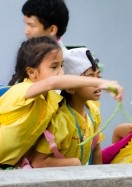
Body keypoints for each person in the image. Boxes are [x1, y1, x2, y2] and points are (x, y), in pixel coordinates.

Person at [0, 36, 123, 168]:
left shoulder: (52, 99)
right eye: (54, 67)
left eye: (62, 65)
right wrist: (101, 82)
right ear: (32, 72)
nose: (61, 72)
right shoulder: (21, 90)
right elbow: (51, 83)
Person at [31, 48, 105, 167]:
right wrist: (73, 163)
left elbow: (95, 148)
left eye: (98, 77)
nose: (98, 83)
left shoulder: (93, 111)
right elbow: (37, 162)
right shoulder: (61, 120)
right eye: (89, 78)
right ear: (70, 88)